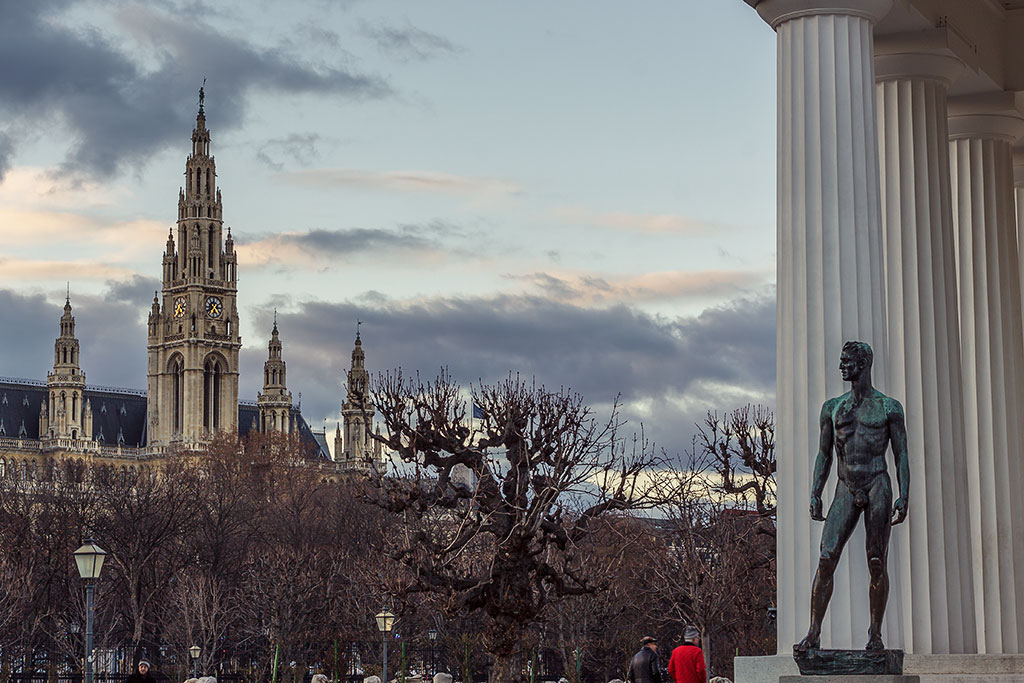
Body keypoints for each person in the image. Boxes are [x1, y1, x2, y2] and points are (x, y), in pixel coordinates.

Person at [794, 341, 909, 653]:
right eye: (841, 360)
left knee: (876, 560)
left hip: (877, 483)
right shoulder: (833, 408)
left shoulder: (889, 407)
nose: (842, 366)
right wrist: (815, 492)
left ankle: (875, 634)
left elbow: (901, 455)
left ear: (864, 364)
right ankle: (813, 633)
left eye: (847, 361)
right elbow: (824, 454)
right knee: (826, 556)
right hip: (846, 485)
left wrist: (904, 494)